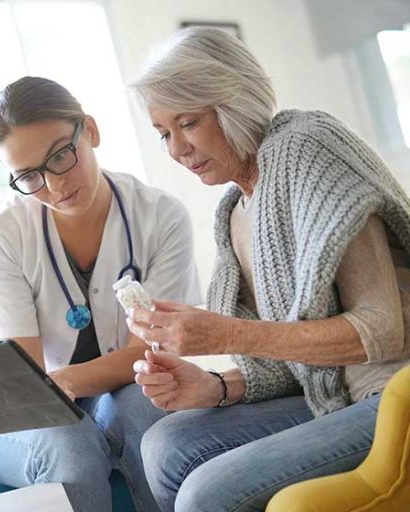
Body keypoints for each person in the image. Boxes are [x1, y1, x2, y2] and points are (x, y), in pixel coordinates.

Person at [124, 27, 410, 512]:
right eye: (163, 134)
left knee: (204, 494)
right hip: (331, 394)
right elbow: (292, 355)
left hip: (392, 390)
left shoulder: (307, 150)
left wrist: (227, 335)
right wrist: (215, 385)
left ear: (234, 104)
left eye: (189, 123)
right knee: (164, 445)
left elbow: (383, 332)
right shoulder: (235, 211)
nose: (176, 150)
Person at [0, 76, 202, 512]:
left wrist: (64, 382)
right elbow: (24, 382)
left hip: (121, 390)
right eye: (29, 176)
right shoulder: (4, 238)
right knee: (69, 441)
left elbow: (149, 353)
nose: (53, 186)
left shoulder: (161, 217)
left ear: (89, 130)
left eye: (60, 157)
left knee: (146, 415)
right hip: (28, 420)